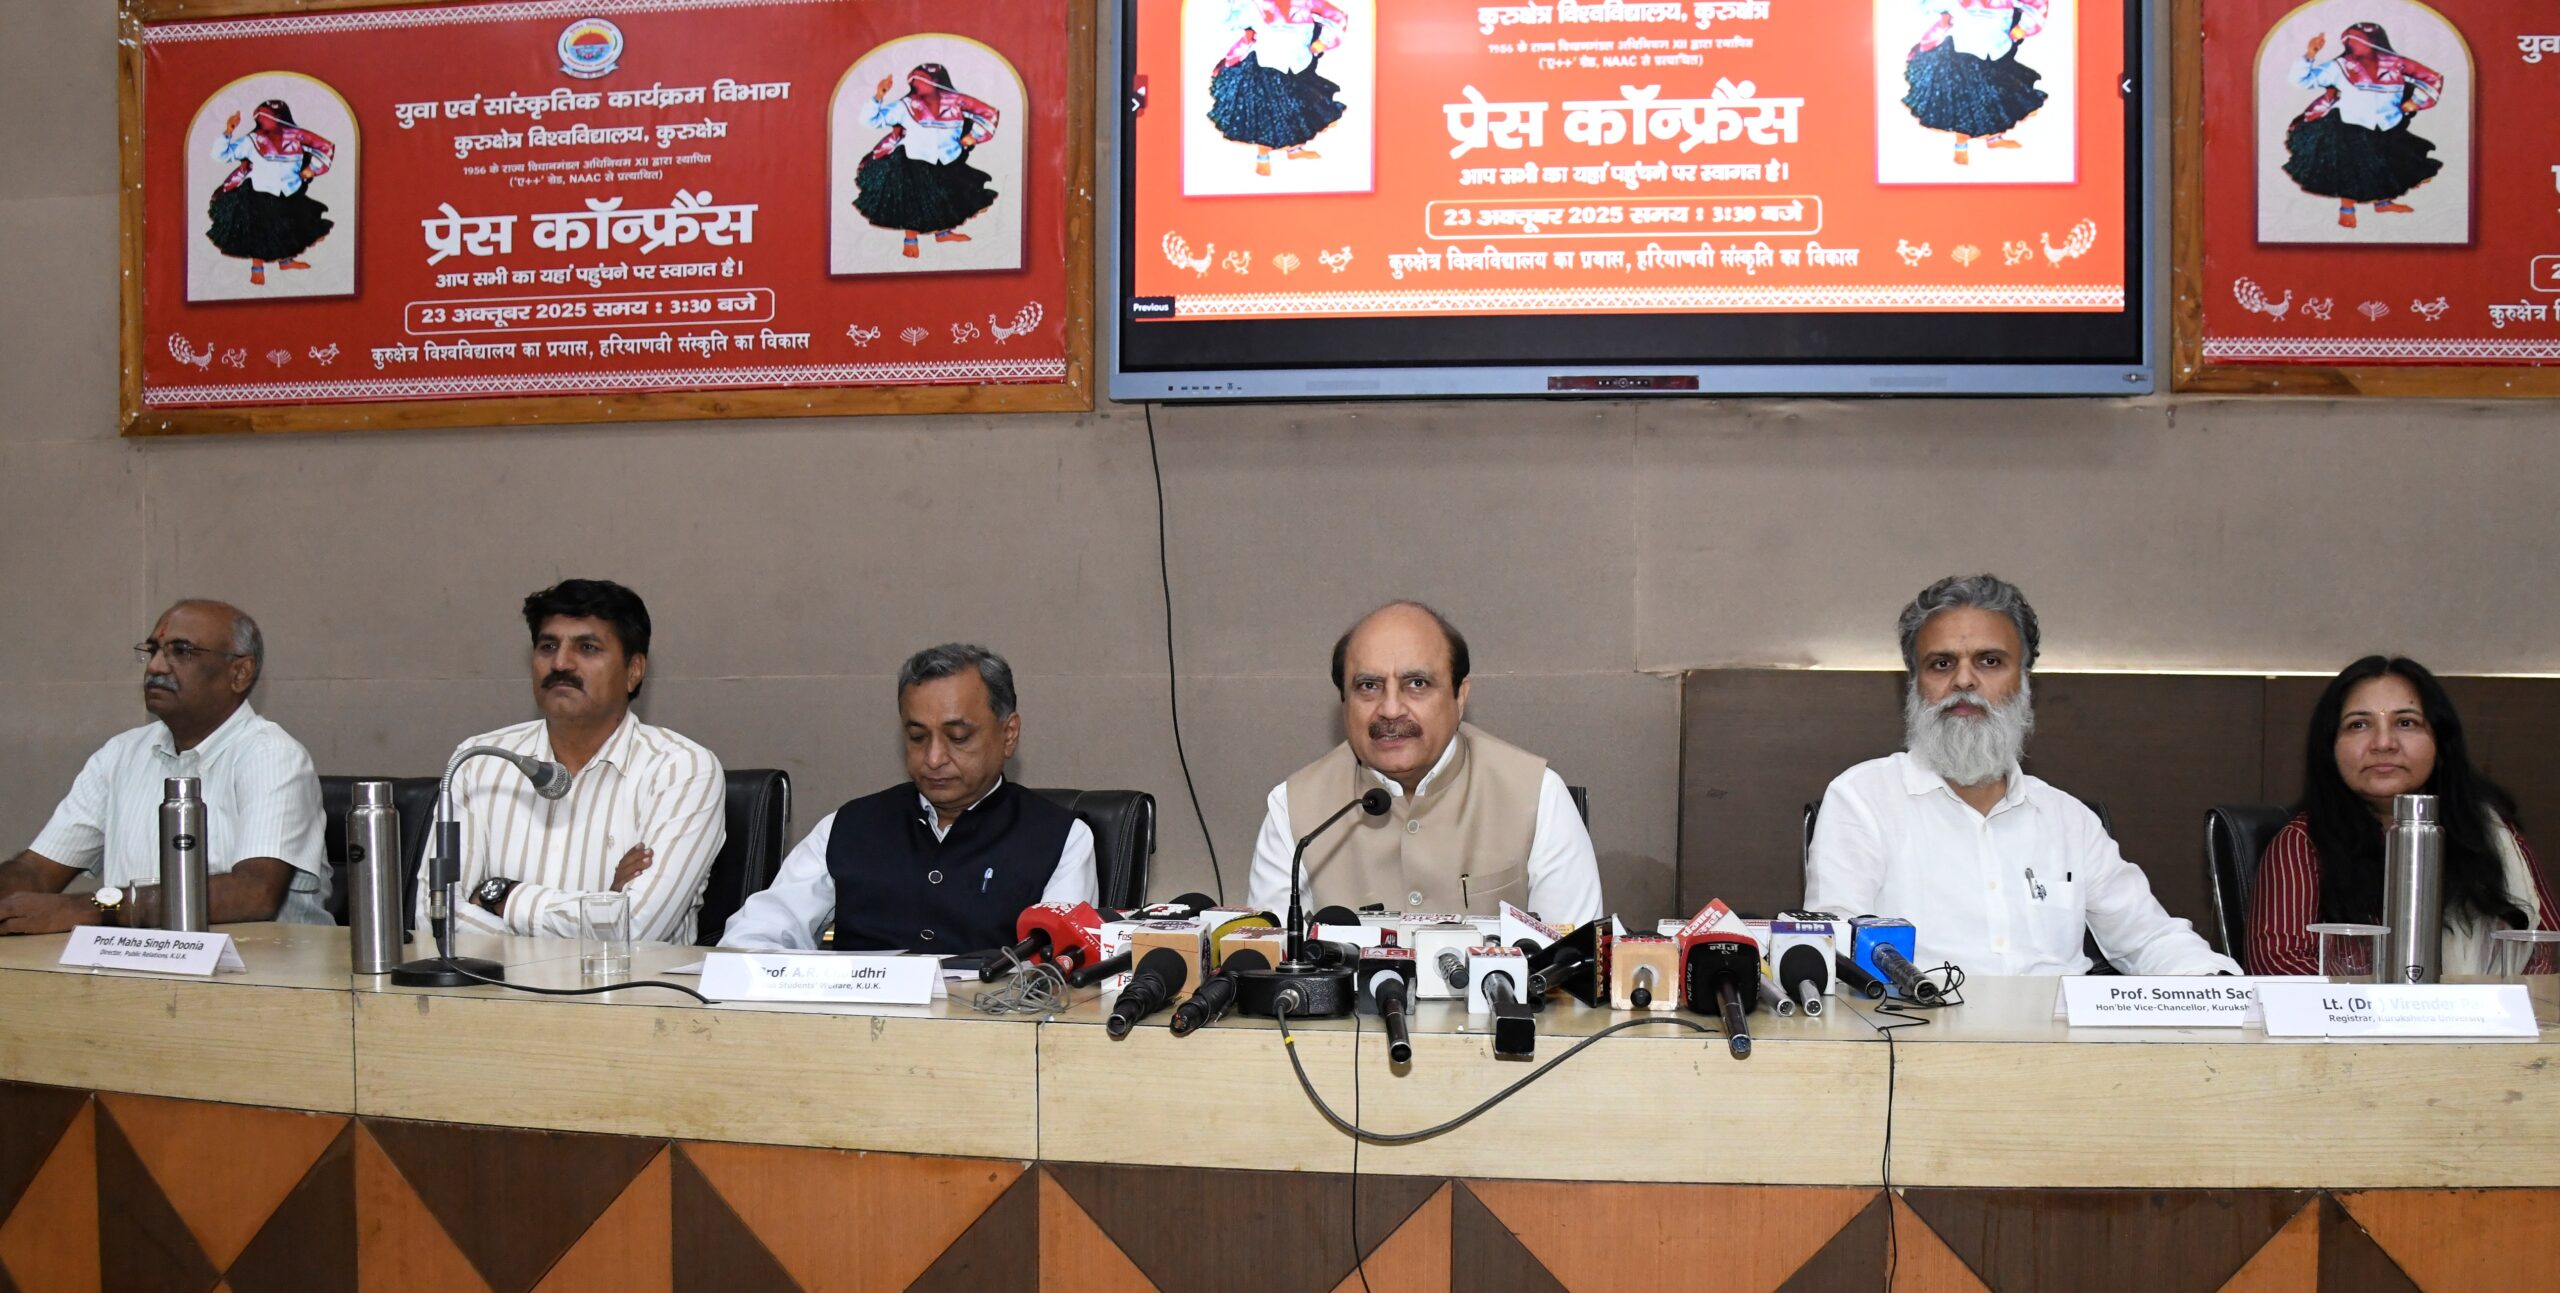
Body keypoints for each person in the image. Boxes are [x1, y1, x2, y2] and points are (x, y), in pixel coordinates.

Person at [1804, 575, 2235, 975]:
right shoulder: (1863, 799)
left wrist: (2217, 985)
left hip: (2058, 1034)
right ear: (1914, 684)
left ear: (2025, 681)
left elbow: (2150, 938)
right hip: (1919, 1026)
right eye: (1941, 664)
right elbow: (1835, 949)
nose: (1964, 681)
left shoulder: (2068, 820)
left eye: (1990, 661)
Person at [721, 644, 1096, 952]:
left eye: (958, 737)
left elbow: (1059, 970)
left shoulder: (1061, 839)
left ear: (1008, 734)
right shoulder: (849, 826)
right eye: (917, 737)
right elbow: (754, 936)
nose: (933, 758)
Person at [1247, 601, 1603, 923]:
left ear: (1459, 697)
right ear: (1344, 701)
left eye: (1417, 683)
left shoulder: (1537, 795)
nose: (1390, 709)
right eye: (1368, 686)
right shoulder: (1294, 809)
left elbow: (1574, 961)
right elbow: (1267, 962)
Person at [423, 580, 725, 944]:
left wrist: (500, 896)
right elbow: (434, 916)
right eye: (548, 646)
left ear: (633, 671)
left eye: (587, 648)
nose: (561, 663)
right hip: (494, 983)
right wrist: (603, 906)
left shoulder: (681, 769)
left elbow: (638, 928)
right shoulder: (478, 761)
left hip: (632, 983)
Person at [0, 601, 328, 934]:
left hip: (260, 963)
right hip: (133, 959)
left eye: (181, 651)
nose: (156, 667)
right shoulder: (120, 754)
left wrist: (92, 908)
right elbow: (37, 871)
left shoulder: (272, 756)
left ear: (239, 673)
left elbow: (253, 894)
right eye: (153, 650)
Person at [2245, 657, 2557, 976]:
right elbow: (2280, 965)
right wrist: (2396, 1000)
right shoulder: (2302, 843)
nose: (2383, 743)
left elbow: (2548, 951)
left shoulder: (2491, 834)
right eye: (2359, 725)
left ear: (2441, 742)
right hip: (2355, 1010)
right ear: (2330, 748)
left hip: (2485, 1010)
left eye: (2406, 723)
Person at [2282, 23, 2443, 230]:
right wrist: (2310, 54)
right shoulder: (2339, 66)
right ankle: (2347, 210)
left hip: (2388, 124)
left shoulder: (2397, 63)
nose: (2352, 45)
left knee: (2386, 164)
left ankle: (2383, 203)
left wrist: (2417, 102)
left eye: (2358, 40)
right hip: (2350, 125)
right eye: (2349, 41)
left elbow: (2433, 78)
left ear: (2376, 41)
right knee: (2350, 167)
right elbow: (2300, 81)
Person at [854, 63, 1000, 259]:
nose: (916, 85)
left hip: (949, 160)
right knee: (913, 200)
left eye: (922, 80)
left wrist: (974, 136)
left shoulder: (957, 101)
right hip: (913, 161)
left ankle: (943, 233)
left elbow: (990, 113)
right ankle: (910, 240)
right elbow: (870, 121)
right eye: (914, 80)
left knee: (946, 198)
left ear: (937, 82)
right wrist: (878, 96)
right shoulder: (905, 105)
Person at [1208, 0, 1352, 177]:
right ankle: (1263, 157)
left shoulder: (1307, 2)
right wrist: (1231, 58)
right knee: (1266, 113)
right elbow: (1247, 35)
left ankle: (1294, 149)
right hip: (1265, 66)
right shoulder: (1257, 4)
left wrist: (1323, 41)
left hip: (1298, 65)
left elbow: (1338, 17)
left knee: (1296, 109)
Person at [1901, 0, 2050, 167]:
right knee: (1965, 99)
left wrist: (2023, 27)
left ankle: (1994, 137)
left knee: (1994, 95)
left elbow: (2035, 4)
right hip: (1963, 48)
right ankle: (1961, 146)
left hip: (1997, 45)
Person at [207, 99, 336, 287]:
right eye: (260, 117)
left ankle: (286, 261)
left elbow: (327, 147)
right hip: (260, 193)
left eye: (267, 116)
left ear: (281, 117)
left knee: (288, 228)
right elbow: (220, 155)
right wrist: (228, 131)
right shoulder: (252, 140)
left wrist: (313, 169)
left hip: (290, 192)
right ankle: (257, 268)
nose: (262, 120)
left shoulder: (298, 135)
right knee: (260, 231)